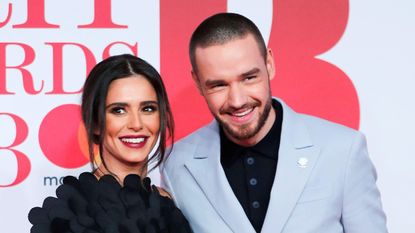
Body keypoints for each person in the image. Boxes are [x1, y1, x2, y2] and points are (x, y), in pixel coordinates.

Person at [161, 13, 388, 233]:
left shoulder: (342, 150)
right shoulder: (176, 164)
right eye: (219, 85)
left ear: (269, 64)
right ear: (198, 83)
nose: (237, 101)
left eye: (249, 78)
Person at [28, 54, 192, 233]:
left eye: (148, 109)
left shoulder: (171, 203)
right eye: (119, 110)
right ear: (96, 123)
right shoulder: (70, 215)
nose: (136, 124)